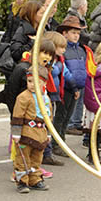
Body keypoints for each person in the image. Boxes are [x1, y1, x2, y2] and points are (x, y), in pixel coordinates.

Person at [11, 67, 52, 193]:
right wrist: (16, 134)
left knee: (36, 159)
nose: (32, 85)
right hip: (26, 134)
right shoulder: (23, 97)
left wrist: (49, 133)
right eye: (29, 81)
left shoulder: (45, 98)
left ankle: (35, 179)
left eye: (36, 82)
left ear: (44, 83)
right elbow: (17, 116)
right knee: (22, 159)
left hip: (40, 134)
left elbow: (49, 117)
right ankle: (22, 181)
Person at [54, 16, 86, 149]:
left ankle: (62, 142)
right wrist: (73, 87)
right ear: (64, 33)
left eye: (78, 33)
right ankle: (56, 143)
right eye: (73, 33)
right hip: (66, 88)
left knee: (67, 118)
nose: (76, 36)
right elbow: (64, 71)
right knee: (61, 116)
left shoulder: (80, 49)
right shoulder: (63, 49)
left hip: (77, 88)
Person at [40, 31, 71, 167]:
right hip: (46, 94)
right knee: (44, 124)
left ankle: (47, 152)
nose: (63, 51)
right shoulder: (49, 62)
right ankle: (43, 153)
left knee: (49, 124)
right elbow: (53, 72)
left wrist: (74, 86)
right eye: (61, 47)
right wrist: (58, 66)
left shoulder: (59, 62)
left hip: (54, 95)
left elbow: (65, 74)